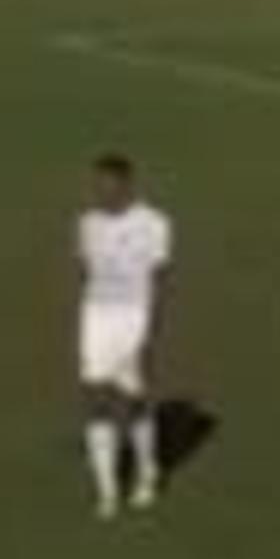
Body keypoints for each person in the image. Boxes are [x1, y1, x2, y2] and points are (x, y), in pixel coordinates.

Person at [76, 152, 178, 519]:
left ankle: (147, 472)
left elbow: (161, 278)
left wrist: (153, 328)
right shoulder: (88, 223)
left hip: (134, 315)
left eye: (109, 185)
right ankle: (107, 490)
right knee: (94, 396)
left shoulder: (155, 223)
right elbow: (86, 271)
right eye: (97, 184)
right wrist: (87, 315)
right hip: (96, 315)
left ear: (126, 184)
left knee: (133, 398)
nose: (102, 192)